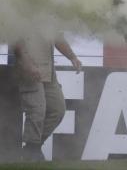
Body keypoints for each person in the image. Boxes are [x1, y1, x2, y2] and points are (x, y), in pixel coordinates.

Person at [14, 32, 82, 161]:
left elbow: (58, 37)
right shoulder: (22, 12)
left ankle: (32, 147)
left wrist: (72, 57)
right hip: (28, 69)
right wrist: (27, 63)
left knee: (58, 109)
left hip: (49, 71)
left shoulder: (51, 13)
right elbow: (16, 40)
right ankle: (31, 153)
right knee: (37, 111)